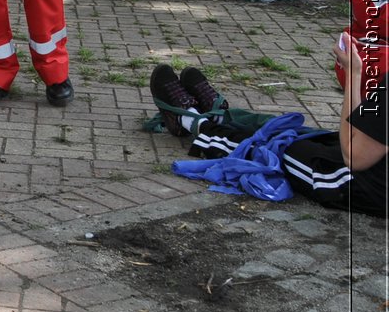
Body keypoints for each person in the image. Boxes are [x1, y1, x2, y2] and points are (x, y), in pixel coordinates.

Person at [152, 50, 385, 215]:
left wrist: (354, 75)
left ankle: (191, 121)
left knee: (272, 150)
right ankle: (218, 118)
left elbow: (355, 157)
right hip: (372, 166)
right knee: (305, 134)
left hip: (361, 184)